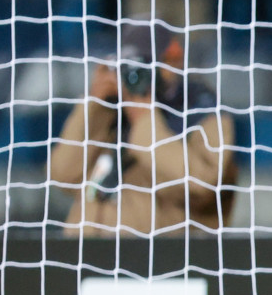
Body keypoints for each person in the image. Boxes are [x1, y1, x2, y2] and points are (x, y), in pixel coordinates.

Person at [49, 22, 235, 235]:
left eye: (146, 65)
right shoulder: (111, 113)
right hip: (84, 255)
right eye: (128, 67)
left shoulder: (202, 112)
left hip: (155, 259)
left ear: (173, 59)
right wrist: (93, 107)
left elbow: (202, 187)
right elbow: (63, 176)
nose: (136, 76)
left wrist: (145, 121)